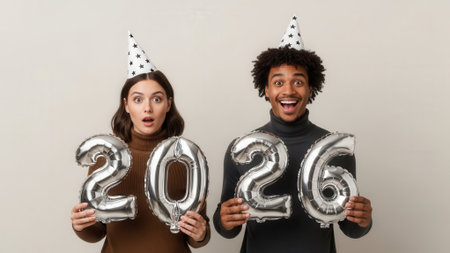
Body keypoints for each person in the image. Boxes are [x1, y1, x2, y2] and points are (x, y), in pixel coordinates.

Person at [213, 16, 372, 253]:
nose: (288, 90)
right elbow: (228, 229)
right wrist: (223, 219)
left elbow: (351, 229)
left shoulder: (335, 149)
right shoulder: (242, 149)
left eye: (298, 82)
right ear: (266, 89)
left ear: (310, 89)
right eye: (278, 82)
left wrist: (363, 219)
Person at [70, 32, 210, 253]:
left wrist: (201, 233)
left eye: (157, 98)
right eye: (138, 99)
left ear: (168, 104)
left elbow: (196, 235)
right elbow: (96, 233)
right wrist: (81, 225)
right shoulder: (106, 158)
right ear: (126, 105)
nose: (147, 108)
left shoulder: (187, 157)